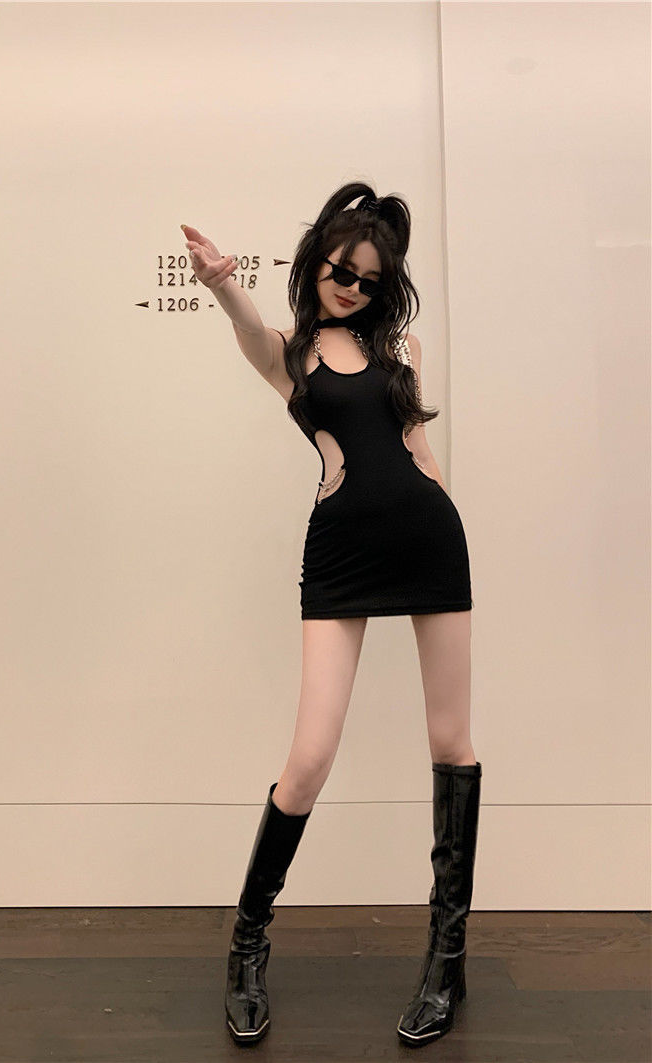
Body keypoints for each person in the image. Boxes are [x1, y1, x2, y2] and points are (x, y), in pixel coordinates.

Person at [181, 180, 482, 1049]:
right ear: (316, 262)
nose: (351, 288)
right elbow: (250, 332)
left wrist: (450, 531)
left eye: (368, 280)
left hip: (430, 542)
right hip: (342, 552)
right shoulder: (291, 355)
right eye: (341, 271)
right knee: (309, 757)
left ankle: (447, 959)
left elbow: (419, 448)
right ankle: (246, 945)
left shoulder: (402, 347)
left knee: (452, 744)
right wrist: (223, 286)